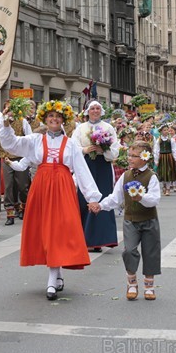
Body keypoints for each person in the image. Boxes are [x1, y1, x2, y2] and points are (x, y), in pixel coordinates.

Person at [0, 99, 102, 300]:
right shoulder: (35, 140)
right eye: (51, 116)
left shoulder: (70, 144)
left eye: (58, 117)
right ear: (45, 119)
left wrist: (93, 197)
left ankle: (52, 280)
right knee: (46, 230)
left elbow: (81, 170)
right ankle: (56, 274)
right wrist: (6, 124)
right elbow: (11, 144)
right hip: (42, 187)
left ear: (63, 120)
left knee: (60, 230)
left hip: (63, 188)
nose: (54, 119)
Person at [90, 141, 162, 300]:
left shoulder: (151, 177)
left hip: (149, 220)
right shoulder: (125, 176)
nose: (130, 159)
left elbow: (155, 199)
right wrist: (100, 206)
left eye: (134, 156)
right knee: (129, 250)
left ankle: (149, 286)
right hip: (130, 220)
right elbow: (115, 198)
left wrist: (141, 197)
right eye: (129, 155)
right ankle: (132, 283)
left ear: (145, 157)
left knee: (151, 252)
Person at [72, 100, 120, 251]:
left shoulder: (108, 127)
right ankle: (85, 238)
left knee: (103, 197)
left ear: (101, 111)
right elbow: (73, 147)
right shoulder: (80, 128)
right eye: (92, 108)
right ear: (87, 111)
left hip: (102, 166)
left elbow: (115, 149)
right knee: (84, 198)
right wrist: (85, 150)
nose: (95, 111)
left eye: (98, 108)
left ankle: (101, 239)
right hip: (86, 165)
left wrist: (103, 150)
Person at [0, 98, 33, 230]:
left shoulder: (22, 122)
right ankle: (9, 214)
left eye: (11, 110)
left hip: (20, 156)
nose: (9, 112)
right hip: (4, 157)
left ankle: (23, 207)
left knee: (22, 186)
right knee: (8, 185)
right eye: (7, 109)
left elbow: (30, 138)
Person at [153, 124, 176, 196]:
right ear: (161, 131)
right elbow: (156, 150)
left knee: (168, 172)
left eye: (167, 130)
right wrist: (156, 160)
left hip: (169, 157)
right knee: (162, 173)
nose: (166, 131)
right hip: (162, 157)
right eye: (164, 130)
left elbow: (174, 149)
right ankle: (164, 186)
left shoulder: (171, 140)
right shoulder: (159, 140)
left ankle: (168, 189)